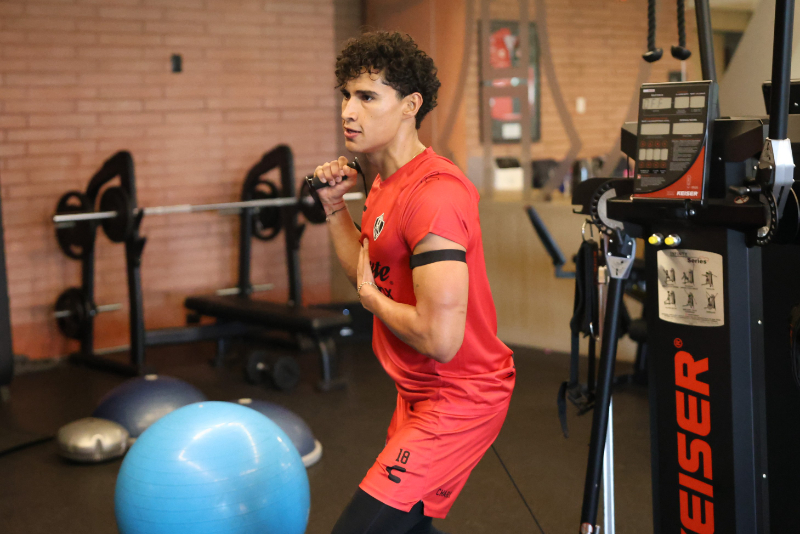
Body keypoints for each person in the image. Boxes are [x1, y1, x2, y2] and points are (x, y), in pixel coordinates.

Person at [315, 31, 516, 534]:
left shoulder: (435, 195)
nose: (348, 111)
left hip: (459, 396)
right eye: (346, 95)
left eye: (367, 97)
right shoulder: (385, 183)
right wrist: (334, 207)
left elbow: (440, 339)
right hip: (417, 392)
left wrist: (371, 301)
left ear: (410, 105)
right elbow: (370, 274)